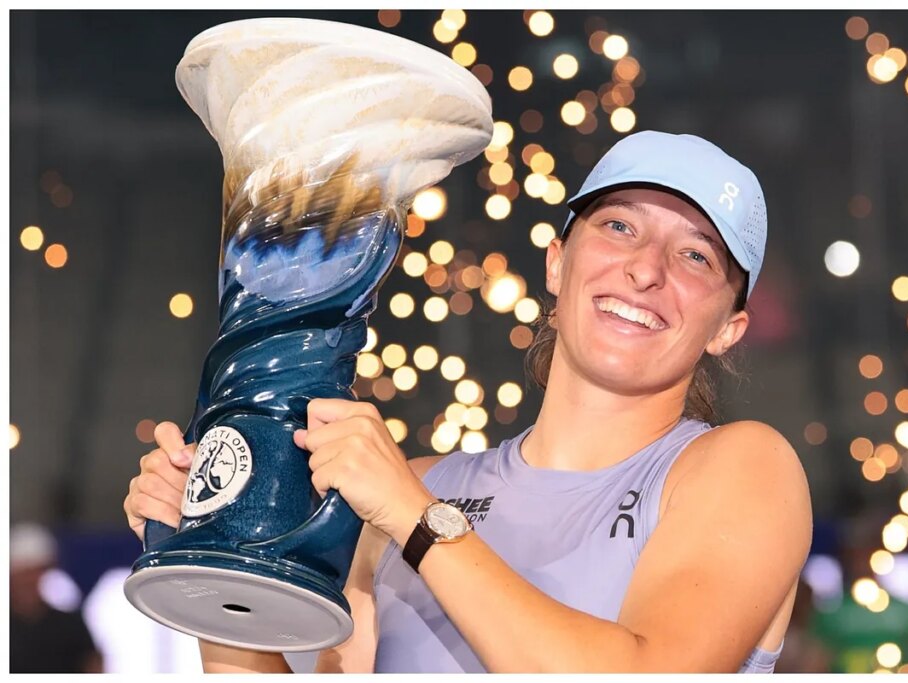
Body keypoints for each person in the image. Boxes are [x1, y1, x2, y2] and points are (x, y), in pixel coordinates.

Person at [124, 130, 812, 673]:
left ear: (728, 328)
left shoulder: (744, 468)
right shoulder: (413, 486)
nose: (646, 269)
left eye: (696, 256)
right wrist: (214, 557)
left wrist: (417, 519)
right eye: (619, 227)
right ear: (557, 263)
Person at [9, 522, 104, 673]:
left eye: (36, 572)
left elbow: (93, 667)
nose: (29, 580)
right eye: (23, 573)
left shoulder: (71, 626)